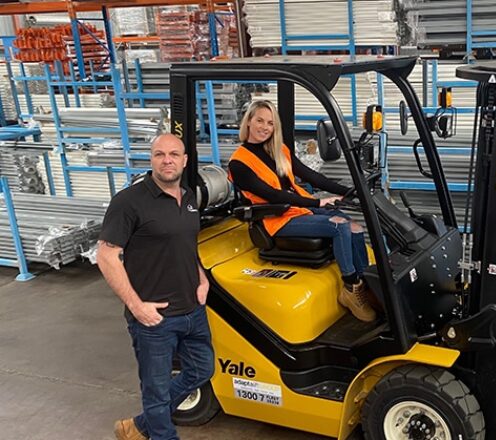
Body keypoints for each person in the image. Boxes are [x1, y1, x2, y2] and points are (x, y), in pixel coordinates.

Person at [98, 133, 214, 440]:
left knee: (202, 371)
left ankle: (139, 426)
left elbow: (186, 245)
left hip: (192, 310)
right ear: (151, 159)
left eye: (174, 154)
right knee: (157, 392)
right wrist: (137, 307)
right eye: (160, 154)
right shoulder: (129, 201)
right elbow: (106, 256)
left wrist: (201, 277)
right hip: (155, 319)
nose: (167, 160)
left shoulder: (188, 197)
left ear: (184, 160)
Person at [228, 100, 376, 322]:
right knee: (340, 225)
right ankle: (351, 287)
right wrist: (318, 204)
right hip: (276, 219)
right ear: (248, 121)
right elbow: (274, 196)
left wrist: (350, 191)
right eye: (259, 120)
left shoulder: (280, 151)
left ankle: (368, 284)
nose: (264, 127)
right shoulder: (239, 163)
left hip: (297, 210)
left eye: (270, 123)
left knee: (354, 226)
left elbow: (312, 176)